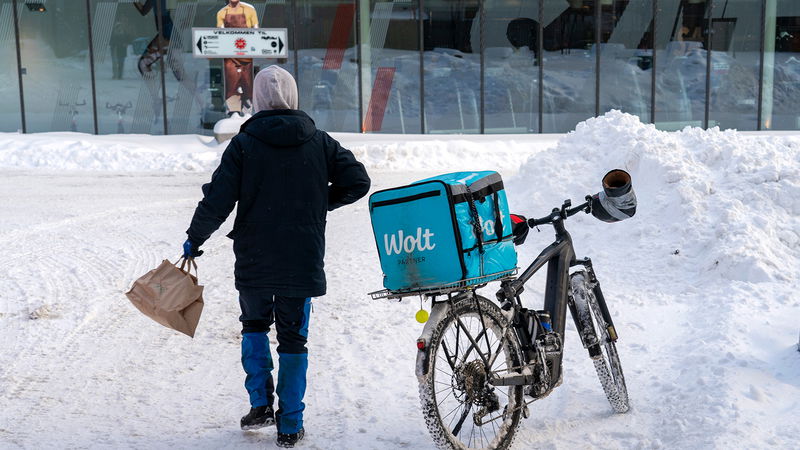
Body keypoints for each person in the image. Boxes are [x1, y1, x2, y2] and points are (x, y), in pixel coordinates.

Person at [182, 65, 371, 448]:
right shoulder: (320, 142)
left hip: (254, 256)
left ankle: (259, 407)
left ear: (260, 99)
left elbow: (217, 200)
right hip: (301, 257)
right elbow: (359, 181)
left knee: (253, 326)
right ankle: (290, 423)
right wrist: (320, 205)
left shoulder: (244, 144)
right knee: (293, 338)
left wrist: (194, 239)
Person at [217, 0, 259, 116]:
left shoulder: (250, 9)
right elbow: (219, 36)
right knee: (231, 83)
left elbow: (256, 33)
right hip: (230, 56)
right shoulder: (222, 12)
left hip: (246, 53)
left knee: (247, 82)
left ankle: (248, 112)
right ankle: (233, 111)